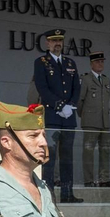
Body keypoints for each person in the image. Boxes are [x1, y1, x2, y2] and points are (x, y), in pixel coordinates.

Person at [32, 29, 82, 204]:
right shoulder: (41, 62)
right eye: (54, 41)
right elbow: (42, 88)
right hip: (52, 115)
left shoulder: (70, 62)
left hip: (68, 117)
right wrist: (60, 105)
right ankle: (49, 195)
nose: (57, 44)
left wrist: (70, 106)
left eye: (60, 40)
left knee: (67, 157)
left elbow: (77, 87)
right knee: (49, 158)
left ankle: (67, 193)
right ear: (47, 43)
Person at [77, 51, 110, 189]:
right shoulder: (86, 79)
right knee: (88, 152)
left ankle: (104, 178)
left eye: (102, 62)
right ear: (91, 63)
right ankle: (89, 179)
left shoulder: (106, 79)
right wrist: (85, 116)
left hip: (104, 121)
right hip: (90, 121)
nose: (100, 64)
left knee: (105, 150)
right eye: (98, 62)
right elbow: (80, 100)